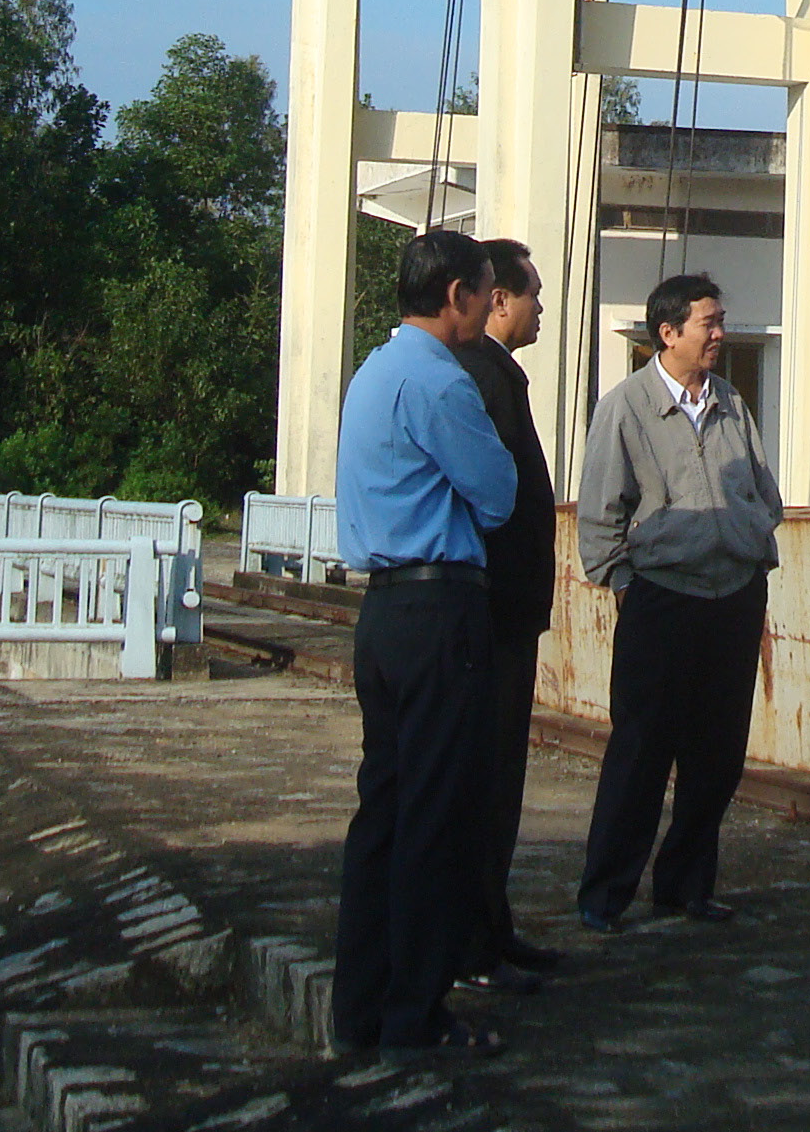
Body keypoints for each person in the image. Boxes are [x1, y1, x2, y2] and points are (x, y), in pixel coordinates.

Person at [331, 227, 519, 1063]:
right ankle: (417, 1014)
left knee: (385, 812)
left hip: (382, 616)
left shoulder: (374, 372)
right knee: (438, 817)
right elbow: (498, 492)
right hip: (439, 610)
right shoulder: (442, 381)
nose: (491, 303)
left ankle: (361, 1008)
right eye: (485, 289)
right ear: (456, 296)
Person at [572, 272, 783, 931]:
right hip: (661, 599)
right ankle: (606, 896)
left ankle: (687, 886)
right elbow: (600, 510)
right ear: (668, 333)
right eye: (709, 323)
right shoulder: (626, 407)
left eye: (721, 321)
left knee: (718, 755)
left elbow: (762, 489)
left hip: (734, 595)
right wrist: (624, 583)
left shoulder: (729, 400)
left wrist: (749, 534)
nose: (721, 334)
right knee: (640, 751)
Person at [452, 237, 563, 997]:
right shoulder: (482, 379)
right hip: (491, 615)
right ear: (497, 300)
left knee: (500, 779)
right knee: (484, 780)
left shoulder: (494, 375)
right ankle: (473, 938)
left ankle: (491, 924)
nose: (539, 308)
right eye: (531, 294)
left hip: (505, 612)